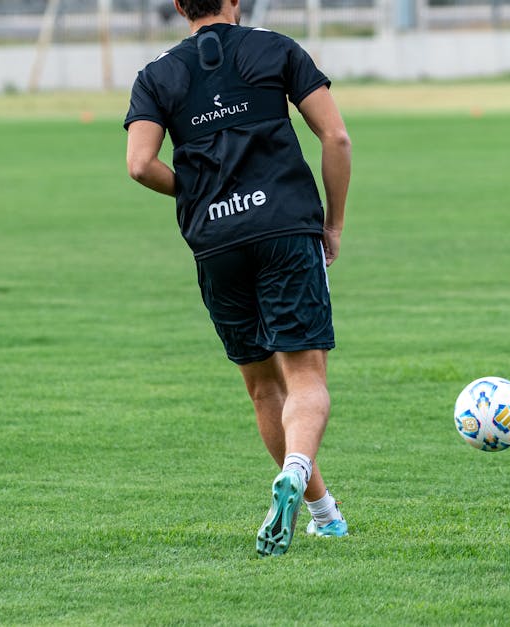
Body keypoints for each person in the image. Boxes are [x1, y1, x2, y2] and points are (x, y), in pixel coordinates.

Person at [124, 0, 352, 556]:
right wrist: (334, 223)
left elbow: (139, 164)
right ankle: (297, 472)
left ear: (179, 6)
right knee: (305, 377)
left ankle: (325, 514)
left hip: (217, 242)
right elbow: (337, 139)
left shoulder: (155, 75)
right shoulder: (276, 48)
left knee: (262, 387)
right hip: (285, 230)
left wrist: (199, 193)